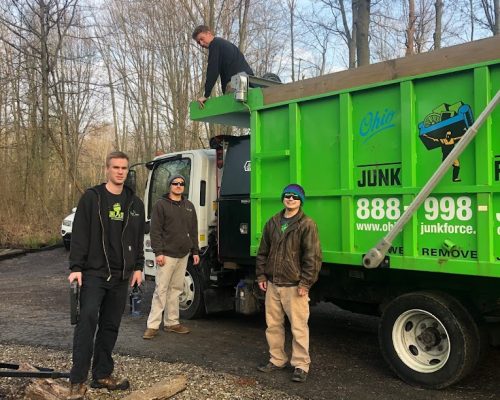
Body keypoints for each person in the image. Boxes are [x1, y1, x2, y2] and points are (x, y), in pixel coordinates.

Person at [67, 151, 145, 399]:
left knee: (110, 326)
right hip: (94, 274)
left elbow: (138, 238)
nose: (120, 172)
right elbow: (79, 234)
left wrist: (139, 267)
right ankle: (77, 379)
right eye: (116, 167)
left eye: (124, 168)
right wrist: (76, 268)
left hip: (122, 276)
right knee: (87, 322)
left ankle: (102, 374)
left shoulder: (135, 203)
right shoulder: (92, 198)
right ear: (107, 170)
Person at [256, 184, 322, 383]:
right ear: (283, 198)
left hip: (295, 286)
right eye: (287, 195)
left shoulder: (307, 224)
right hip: (273, 284)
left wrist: (305, 283)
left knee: (299, 327)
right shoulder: (273, 222)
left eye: (295, 196)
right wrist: (261, 276)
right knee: (273, 325)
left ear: (301, 200)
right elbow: (262, 252)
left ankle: (301, 365)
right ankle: (277, 360)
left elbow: (313, 257)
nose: (290, 199)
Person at [143, 175, 200, 339]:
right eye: (175, 183)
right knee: (161, 290)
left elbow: (194, 230)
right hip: (166, 255)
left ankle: (172, 323)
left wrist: (195, 251)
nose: (178, 186)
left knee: (176, 290)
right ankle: (152, 326)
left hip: (184, 254)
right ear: (170, 186)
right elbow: (155, 231)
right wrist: (158, 252)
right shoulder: (161, 205)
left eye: (181, 184)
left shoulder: (189, 206)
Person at [192, 25, 254, 108]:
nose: (201, 44)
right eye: (198, 42)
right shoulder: (224, 44)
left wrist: (206, 95)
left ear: (208, 33)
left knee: (230, 112)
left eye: (202, 39)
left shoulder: (215, 45)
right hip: (249, 82)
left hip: (236, 84)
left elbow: (212, 70)